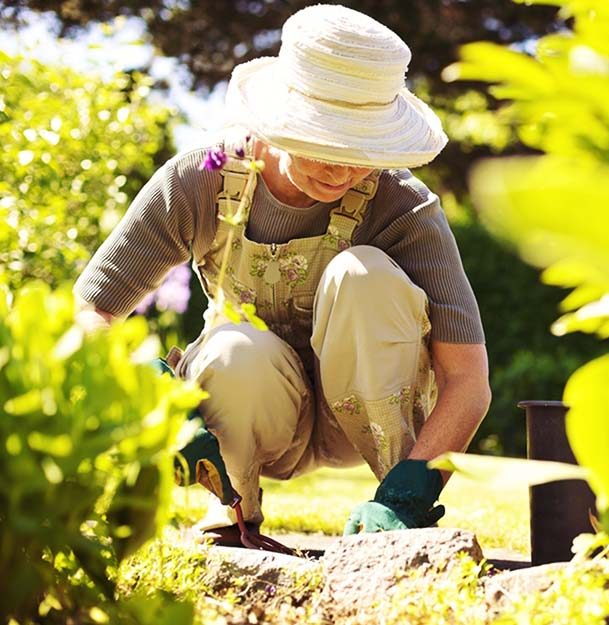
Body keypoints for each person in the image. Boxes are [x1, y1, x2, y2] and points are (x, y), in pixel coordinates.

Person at [73, 4, 490, 542]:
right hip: (247, 411)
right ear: (279, 121)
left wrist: (415, 486)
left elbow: (468, 380)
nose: (343, 168)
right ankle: (234, 508)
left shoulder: (401, 206)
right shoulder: (200, 181)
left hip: (364, 418)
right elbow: (92, 311)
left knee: (364, 275)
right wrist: (148, 393)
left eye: (360, 148)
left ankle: (390, 519)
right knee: (232, 350)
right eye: (325, 143)